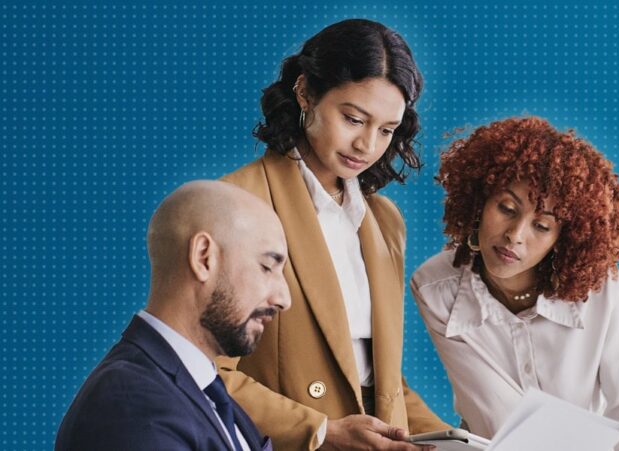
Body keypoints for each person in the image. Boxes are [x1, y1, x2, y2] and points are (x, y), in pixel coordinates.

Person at [217, 18, 448, 450]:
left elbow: (379, 378)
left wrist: (455, 440)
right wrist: (320, 431)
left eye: (386, 130)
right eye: (353, 118)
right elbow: (205, 370)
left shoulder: (384, 220)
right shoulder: (237, 201)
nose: (367, 145)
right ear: (305, 92)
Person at [411, 116, 619, 450]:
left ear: (564, 239)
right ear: (480, 200)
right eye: (506, 208)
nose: (514, 236)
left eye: (542, 226)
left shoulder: (604, 291)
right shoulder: (435, 288)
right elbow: (496, 411)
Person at [56, 180, 289, 451]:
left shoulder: (203, 393)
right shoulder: (132, 406)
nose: (284, 299)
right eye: (267, 267)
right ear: (204, 258)